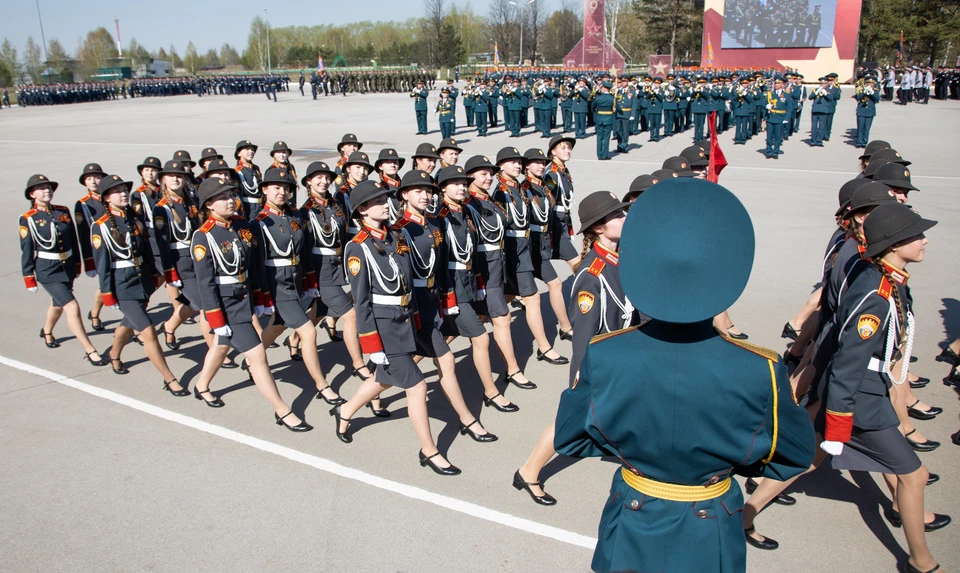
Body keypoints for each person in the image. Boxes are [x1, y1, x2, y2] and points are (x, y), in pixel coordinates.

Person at [554, 178, 815, 573]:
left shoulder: (607, 355)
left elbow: (570, 438)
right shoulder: (759, 367)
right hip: (711, 516)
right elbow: (791, 457)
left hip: (633, 511)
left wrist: (636, 448)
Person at [819, 202, 949, 573]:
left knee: (807, 462)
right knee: (914, 474)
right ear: (893, 244)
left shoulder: (888, 279)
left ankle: (748, 513)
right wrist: (839, 423)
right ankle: (920, 560)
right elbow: (848, 361)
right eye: (916, 235)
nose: (924, 240)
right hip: (859, 399)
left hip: (868, 391)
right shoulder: (876, 295)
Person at [331, 180, 462, 476]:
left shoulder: (395, 235)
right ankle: (429, 451)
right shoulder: (357, 247)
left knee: (385, 378)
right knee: (417, 386)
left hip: (405, 318)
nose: (384, 204)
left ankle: (345, 410)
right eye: (376, 201)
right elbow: (361, 302)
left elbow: (406, 282)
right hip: (383, 326)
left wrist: (420, 318)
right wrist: (372, 346)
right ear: (362, 209)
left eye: (385, 199)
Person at [515, 191, 637, 506]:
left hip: (625, 359)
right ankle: (528, 472)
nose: (624, 218)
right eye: (617, 216)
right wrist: (579, 381)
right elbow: (583, 337)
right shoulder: (591, 275)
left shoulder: (623, 257)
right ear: (598, 227)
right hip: (603, 365)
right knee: (570, 421)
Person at [189, 177, 313, 432]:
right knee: (257, 355)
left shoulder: (242, 226)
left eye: (232, 195)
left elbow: (253, 266)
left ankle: (201, 386)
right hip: (225, 304)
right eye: (223, 198)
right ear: (209, 205)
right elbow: (206, 284)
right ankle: (283, 410)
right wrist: (216, 319)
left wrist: (260, 298)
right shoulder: (204, 237)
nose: (231, 200)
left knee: (222, 346)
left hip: (243, 295)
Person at [394, 169, 497, 441]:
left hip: (432, 303)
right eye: (418, 191)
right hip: (411, 309)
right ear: (404, 195)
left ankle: (350, 407)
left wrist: (445, 300)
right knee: (440, 360)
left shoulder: (433, 224)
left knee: (399, 368)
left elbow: (439, 269)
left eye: (428, 191)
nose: (426, 195)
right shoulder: (398, 231)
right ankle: (469, 418)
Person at [250, 167, 344, 405]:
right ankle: (322, 385)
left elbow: (304, 253)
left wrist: (310, 281)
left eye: (286, 188)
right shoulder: (259, 223)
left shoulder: (294, 217)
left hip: (295, 280)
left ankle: (253, 356)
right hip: (277, 285)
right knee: (308, 332)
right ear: (264, 190)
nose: (282, 192)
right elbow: (257, 264)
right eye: (276, 188)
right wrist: (263, 296)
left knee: (279, 325)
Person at [436, 162, 519, 414]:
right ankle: (491, 392)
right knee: (480, 338)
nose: (462, 187)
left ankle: (376, 382)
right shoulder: (440, 218)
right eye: (456, 184)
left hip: (468, 282)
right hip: (452, 289)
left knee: (433, 343)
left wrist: (479, 283)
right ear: (442, 188)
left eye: (464, 183)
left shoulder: (464, 212)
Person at [92, 174, 186, 395]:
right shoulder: (101, 226)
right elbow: (103, 264)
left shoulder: (132, 218)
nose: (123, 194)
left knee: (127, 323)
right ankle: (169, 378)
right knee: (148, 331)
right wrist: (107, 293)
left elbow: (145, 252)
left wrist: (153, 276)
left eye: (124, 190)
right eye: (116, 191)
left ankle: (114, 354)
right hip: (122, 285)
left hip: (141, 281)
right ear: (106, 198)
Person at [464, 155, 538, 391]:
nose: (489, 178)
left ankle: (387, 373)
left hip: (498, 266)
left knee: (455, 332)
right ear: (470, 177)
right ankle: (513, 370)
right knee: (503, 319)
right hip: (484, 272)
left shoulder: (487, 201)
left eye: (490, 174)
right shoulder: (469, 205)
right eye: (483, 174)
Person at [20, 174, 107, 366]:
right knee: (72, 307)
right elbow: (26, 250)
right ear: (32, 194)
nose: (47, 190)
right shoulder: (28, 219)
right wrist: (29, 277)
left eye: (48, 187)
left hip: (66, 266)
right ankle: (89, 349)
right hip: (47, 270)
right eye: (41, 188)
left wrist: (77, 264)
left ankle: (47, 330)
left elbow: (73, 241)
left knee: (58, 304)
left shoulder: (63, 211)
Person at [493, 147, 569, 366]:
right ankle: (545, 348)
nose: (517, 165)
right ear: (501, 166)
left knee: (507, 298)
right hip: (516, 252)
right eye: (512, 162)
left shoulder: (516, 187)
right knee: (533, 298)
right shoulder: (502, 192)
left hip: (527, 248)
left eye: (519, 162)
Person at [152, 160, 204, 350]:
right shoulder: (162, 209)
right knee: (204, 304)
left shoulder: (191, 203)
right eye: (171, 175)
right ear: (163, 180)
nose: (175, 178)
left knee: (191, 301)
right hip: (179, 262)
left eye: (180, 176)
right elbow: (161, 245)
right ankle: (216, 351)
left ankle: (170, 326)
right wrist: (169, 272)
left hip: (196, 258)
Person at [522, 148, 573, 340]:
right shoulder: (523, 188)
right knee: (556, 283)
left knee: (554, 285)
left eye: (543, 162)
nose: (541, 165)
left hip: (541, 244)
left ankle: (565, 326)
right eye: (536, 162)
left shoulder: (542, 185)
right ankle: (566, 327)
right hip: (531, 248)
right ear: (526, 165)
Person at [74, 162, 109, 332]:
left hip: (117, 249)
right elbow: (83, 234)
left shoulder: (111, 197)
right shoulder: (83, 204)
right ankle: (95, 313)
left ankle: (95, 312)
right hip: (99, 252)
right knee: (105, 284)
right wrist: (89, 262)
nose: (94, 181)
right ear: (85, 183)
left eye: (97, 177)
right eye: (89, 178)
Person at [543, 135, 581, 270]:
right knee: (578, 264)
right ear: (553, 152)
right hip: (556, 224)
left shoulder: (563, 170)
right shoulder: (552, 173)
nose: (567, 151)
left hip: (563, 221)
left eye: (569, 148)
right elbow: (547, 200)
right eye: (563, 148)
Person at [234, 140, 263, 220]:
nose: (251, 151)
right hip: (248, 208)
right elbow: (237, 195)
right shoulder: (237, 171)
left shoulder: (255, 168)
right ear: (239, 153)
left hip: (260, 206)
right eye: (247, 149)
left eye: (252, 149)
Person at [764, 76, 789, 159]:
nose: (776, 85)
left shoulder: (786, 95)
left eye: (778, 83)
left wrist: (786, 118)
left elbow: (789, 108)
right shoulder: (770, 94)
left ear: (783, 84)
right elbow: (763, 103)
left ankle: (776, 152)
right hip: (771, 118)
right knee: (769, 137)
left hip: (780, 118)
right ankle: (769, 151)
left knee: (778, 137)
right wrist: (766, 105)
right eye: (775, 83)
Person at [268, 141, 298, 206]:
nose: (281, 155)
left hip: (291, 203)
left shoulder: (291, 168)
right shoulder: (271, 170)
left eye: (284, 152)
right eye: (278, 152)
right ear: (274, 155)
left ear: (288, 154)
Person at [854, 76, 881, 148]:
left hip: (870, 111)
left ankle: (864, 142)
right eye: (868, 82)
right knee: (860, 128)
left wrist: (872, 93)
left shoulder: (875, 90)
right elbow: (858, 98)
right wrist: (864, 92)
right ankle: (859, 142)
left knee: (867, 128)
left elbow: (877, 99)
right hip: (861, 110)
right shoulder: (861, 89)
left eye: (871, 83)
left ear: (874, 83)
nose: (870, 84)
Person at [591, 81, 615, 160]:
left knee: (599, 138)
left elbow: (593, 107)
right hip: (608, 119)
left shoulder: (598, 98)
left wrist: (596, 114)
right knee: (606, 138)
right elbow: (617, 108)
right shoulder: (612, 98)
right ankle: (604, 155)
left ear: (604, 89)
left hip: (599, 118)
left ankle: (599, 155)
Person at [808, 77, 834, 147]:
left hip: (823, 111)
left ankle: (819, 141)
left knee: (821, 127)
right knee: (814, 126)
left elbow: (831, 99)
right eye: (821, 83)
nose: (822, 85)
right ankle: (813, 141)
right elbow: (810, 97)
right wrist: (816, 92)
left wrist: (825, 93)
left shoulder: (829, 90)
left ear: (826, 83)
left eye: (824, 83)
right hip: (815, 110)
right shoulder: (815, 90)